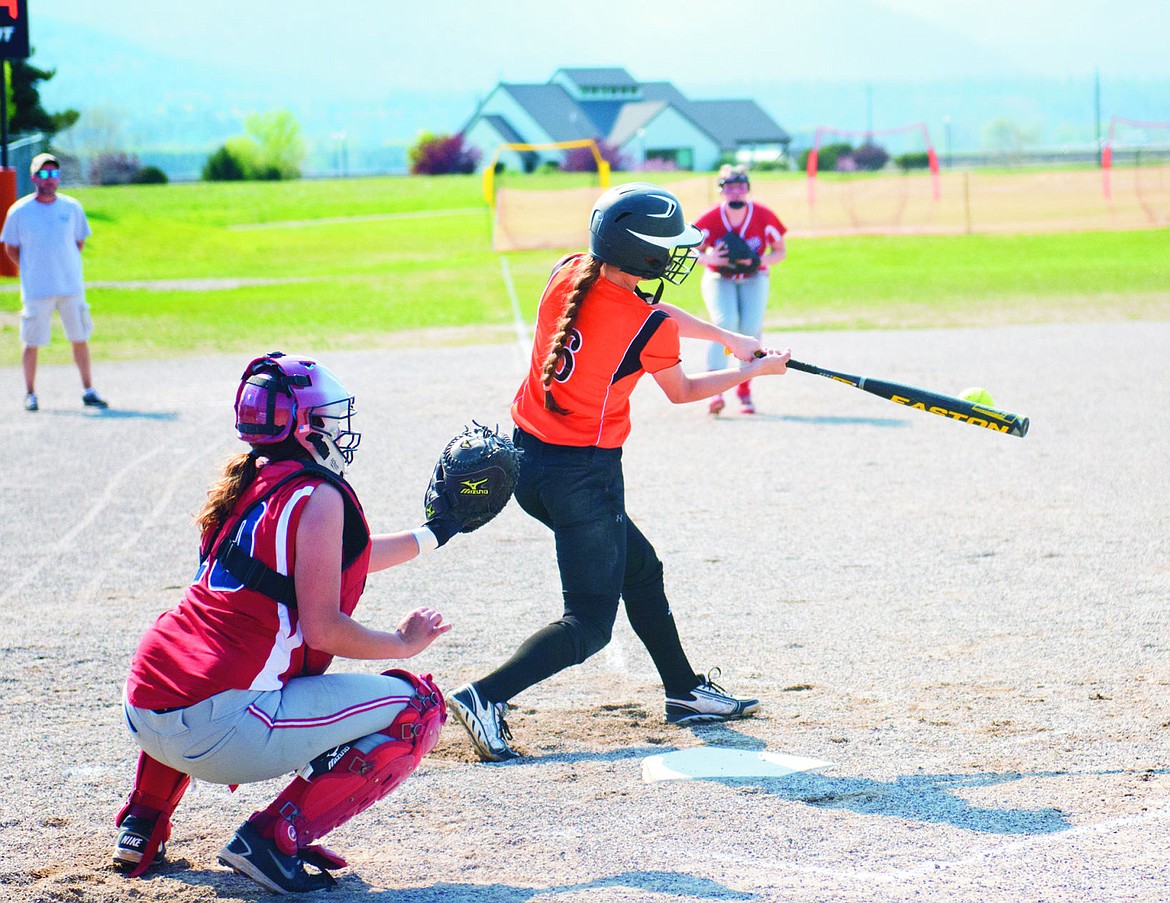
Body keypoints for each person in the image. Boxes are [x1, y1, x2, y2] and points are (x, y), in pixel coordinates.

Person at [447, 182, 791, 763]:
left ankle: (684, 692)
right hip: (583, 477)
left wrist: (727, 339)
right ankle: (484, 696)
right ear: (643, 255)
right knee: (588, 625)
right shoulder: (645, 327)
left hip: (528, 461)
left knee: (641, 567)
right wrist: (751, 372)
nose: (678, 255)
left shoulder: (570, 271)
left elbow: (647, 312)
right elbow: (681, 390)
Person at [113, 351, 462, 893]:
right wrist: (402, 643)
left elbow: (331, 558)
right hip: (219, 728)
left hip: (146, 708)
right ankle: (273, 839)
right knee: (418, 707)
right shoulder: (318, 494)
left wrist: (435, 533)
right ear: (304, 426)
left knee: (208, 664)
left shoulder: (250, 481)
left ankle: (143, 821)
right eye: (327, 418)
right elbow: (323, 628)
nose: (337, 430)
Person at [1, 152, 108, 412]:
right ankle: (30, 393)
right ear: (34, 177)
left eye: (54, 174)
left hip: (70, 287)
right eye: (44, 174)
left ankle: (88, 389)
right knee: (32, 341)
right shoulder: (20, 210)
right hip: (37, 289)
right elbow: (10, 247)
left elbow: (78, 242)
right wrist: (30, 268)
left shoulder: (71, 207)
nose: (50, 179)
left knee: (79, 337)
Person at [693, 164, 788, 416]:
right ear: (721, 190)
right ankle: (715, 391)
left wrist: (758, 261)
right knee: (724, 323)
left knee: (749, 328)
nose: (736, 193)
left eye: (741, 187)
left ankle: (744, 390)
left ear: (747, 189)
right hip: (719, 277)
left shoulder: (763, 215)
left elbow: (780, 251)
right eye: (730, 188)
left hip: (753, 277)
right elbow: (691, 251)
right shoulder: (711, 218)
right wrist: (712, 259)